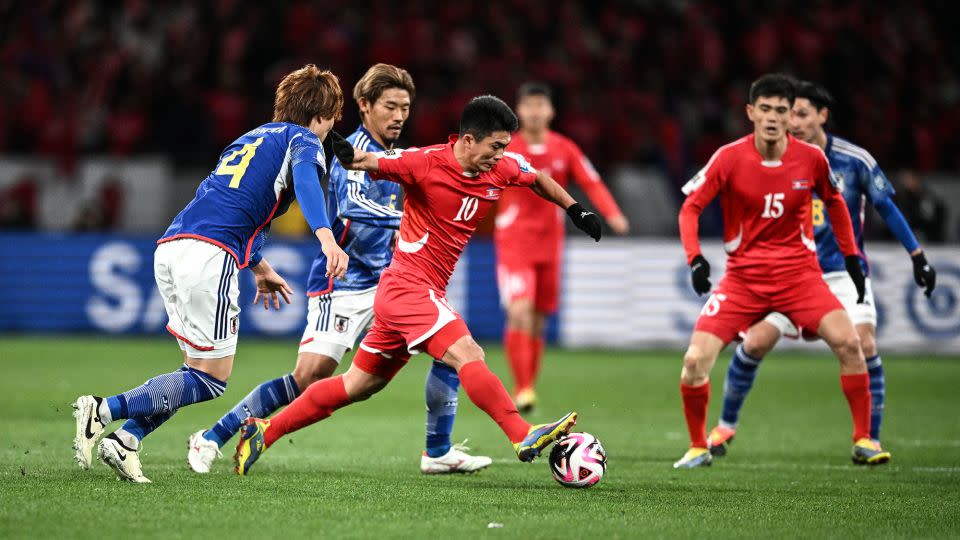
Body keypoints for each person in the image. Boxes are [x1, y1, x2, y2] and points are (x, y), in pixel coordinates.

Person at [233, 95, 604, 475]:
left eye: (504, 147)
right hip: (409, 289)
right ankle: (520, 432)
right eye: (495, 146)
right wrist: (341, 149)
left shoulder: (502, 168)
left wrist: (577, 210)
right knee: (468, 353)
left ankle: (265, 431)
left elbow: (538, 178)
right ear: (468, 140)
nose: (500, 154)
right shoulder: (425, 162)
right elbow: (366, 160)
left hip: (411, 294)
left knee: (357, 385)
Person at [186, 64, 491, 475]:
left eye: (405, 106)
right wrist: (407, 222)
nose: (400, 115)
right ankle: (212, 437)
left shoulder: (401, 157)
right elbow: (350, 208)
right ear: (364, 106)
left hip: (392, 281)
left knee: (453, 348)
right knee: (308, 376)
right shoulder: (349, 152)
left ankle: (437, 451)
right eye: (390, 106)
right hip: (343, 283)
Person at [71, 65, 350, 482]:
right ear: (323, 113)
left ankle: (125, 441)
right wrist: (326, 236)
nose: (332, 128)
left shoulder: (249, 139)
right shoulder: (304, 139)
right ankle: (104, 409)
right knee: (211, 380)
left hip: (173, 245)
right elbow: (309, 182)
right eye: (333, 118)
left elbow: (239, 208)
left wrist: (261, 268)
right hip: (208, 255)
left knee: (192, 369)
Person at [706, 81, 937, 464]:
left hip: (841, 273)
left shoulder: (853, 160)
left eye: (799, 113)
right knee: (754, 344)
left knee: (861, 345)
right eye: (786, 113)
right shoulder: (773, 157)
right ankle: (726, 425)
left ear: (821, 116)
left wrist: (917, 255)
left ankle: (868, 440)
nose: (790, 121)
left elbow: (887, 208)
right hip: (790, 273)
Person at [673, 73, 878, 469]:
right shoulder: (729, 157)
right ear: (750, 112)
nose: (771, 117)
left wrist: (852, 257)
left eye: (781, 110)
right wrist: (695, 258)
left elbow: (834, 203)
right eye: (764, 109)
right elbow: (691, 208)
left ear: (791, 117)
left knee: (851, 344)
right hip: (743, 281)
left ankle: (864, 439)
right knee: (695, 361)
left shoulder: (811, 159)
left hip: (800, 278)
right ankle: (699, 446)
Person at [495, 82, 629, 413]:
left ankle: (529, 386)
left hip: (550, 245)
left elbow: (591, 181)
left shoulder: (564, 148)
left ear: (551, 111)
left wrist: (612, 214)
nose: (535, 112)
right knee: (519, 311)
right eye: (529, 106)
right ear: (519, 111)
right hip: (515, 243)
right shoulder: (507, 148)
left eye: (541, 105)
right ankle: (522, 388)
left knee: (539, 320)